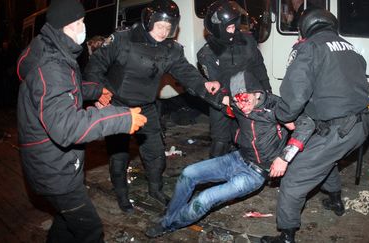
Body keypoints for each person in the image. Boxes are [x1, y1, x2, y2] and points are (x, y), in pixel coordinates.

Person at [16, 0, 147, 242]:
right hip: (54, 171)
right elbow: (66, 126)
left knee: (66, 224)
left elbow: (68, 89)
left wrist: (96, 91)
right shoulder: (51, 67)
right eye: (79, 23)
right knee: (90, 230)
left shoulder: (53, 50)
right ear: (63, 27)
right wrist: (120, 118)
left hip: (53, 163)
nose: (83, 26)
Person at [84, 0, 223, 213]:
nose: (163, 32)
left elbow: (185, 72)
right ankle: (122, 195)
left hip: (147, 106)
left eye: (169, 28)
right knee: (119, 154)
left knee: (156, 153)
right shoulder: (122, 39)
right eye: (160, 26)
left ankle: (155, 189)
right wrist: (98, 94)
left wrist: (204, 83)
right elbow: (95, 66)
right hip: (118, 105)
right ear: (148, 21)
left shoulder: (171, 49)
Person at [261, 9, 369, 243]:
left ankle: (287, 236)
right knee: (324, 158)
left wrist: (283, 114)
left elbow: (295, 92)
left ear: (306, 27)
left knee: (293, 180)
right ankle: (335, 199)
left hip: (339, 128)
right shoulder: (349, 48)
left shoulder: (310, 47)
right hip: (360, 125)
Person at [145, 70, 289, 238]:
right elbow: (216, 97)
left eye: (245, 100)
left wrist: (284, 157)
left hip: (254, 174)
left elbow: (304, 124)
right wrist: (201, 86)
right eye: (237, 101)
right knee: (188, 173)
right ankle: (170, 215)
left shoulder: (275, 107)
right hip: (238, 158)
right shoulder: (237, 103)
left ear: (256, 92)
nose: (242, 106)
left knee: (204, 199)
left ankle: (168, 225)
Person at [197, 0, 271, 158]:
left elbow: (259, 67)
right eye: (229, 27)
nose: (234, 30)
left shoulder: (247, 41)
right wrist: (230, 102)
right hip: (223, 102)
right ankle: (214, 179)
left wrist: (266, 91)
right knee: (221, 141)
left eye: (234, 25)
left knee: (250, 139)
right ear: (217, 28)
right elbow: (215, 85)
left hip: (249, 97)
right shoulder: (207, 53)